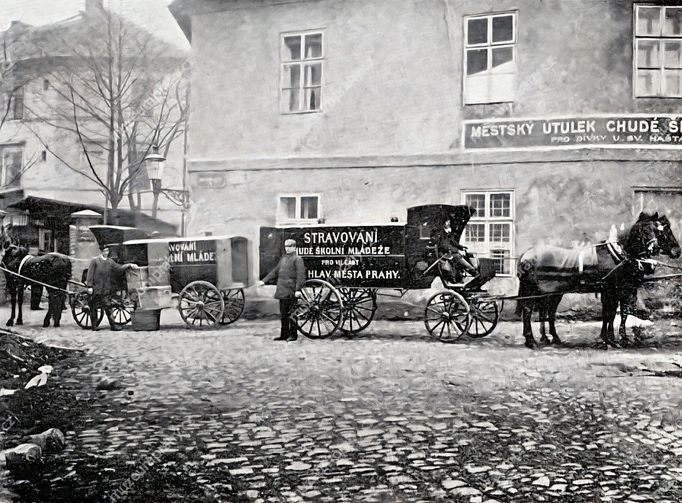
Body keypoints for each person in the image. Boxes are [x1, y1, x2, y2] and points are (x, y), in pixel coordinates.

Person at [258, 239, 306, 341]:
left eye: (290, 246)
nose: (287, 248)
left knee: (292, 314)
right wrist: (264, 281)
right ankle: (284, 334)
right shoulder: (283, 259)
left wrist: (298, 289)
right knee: (283, 314)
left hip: (291, 290)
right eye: (286, 246)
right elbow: (275, 272)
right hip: (282, 290)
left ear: (294, 247)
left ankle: (293, 335)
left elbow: (301, 276)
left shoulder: (298, 259)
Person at [86, 245, 137, 330]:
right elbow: (90, 274)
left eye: (107, 251)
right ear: (101, 251)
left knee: (108, 307)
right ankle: (94, 326)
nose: (106, 253)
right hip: (96, 288)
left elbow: (119, 268)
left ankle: (113, 326)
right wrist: (89, 286)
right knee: (93, 307)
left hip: (106, 288)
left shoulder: (110, 261)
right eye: (104, 251)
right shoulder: (95, 261)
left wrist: (129, 265)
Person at [435, 218, 478, 284]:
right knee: (458, 257)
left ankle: (470, 272)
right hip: (446, 254)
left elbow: (454, 242)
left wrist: (461, 247)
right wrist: (451, 251)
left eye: (448, 222)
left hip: (452, 252)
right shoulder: (440, 233)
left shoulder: (449, 233)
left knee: (464, 256)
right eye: (447, 222)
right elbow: (441, 246)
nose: (448, 223)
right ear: (443, 223)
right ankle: (474, 272)